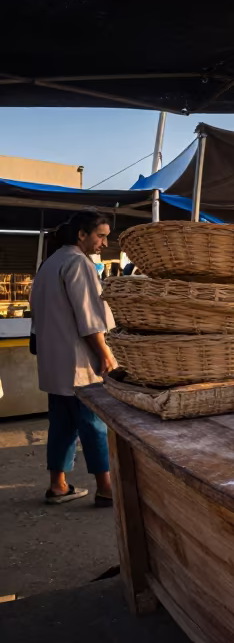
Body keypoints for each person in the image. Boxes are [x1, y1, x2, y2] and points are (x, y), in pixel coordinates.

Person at [31, 211, 116, 506]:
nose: (104, 242)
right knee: (93, 423)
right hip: (79, 362)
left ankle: (58, 485)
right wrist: (105, 355)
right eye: (100, 235)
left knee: (62, 424)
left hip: (53, 362)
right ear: (82, 234)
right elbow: (90, 318)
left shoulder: (49, 263)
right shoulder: (78, 263)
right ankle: (106, 488)